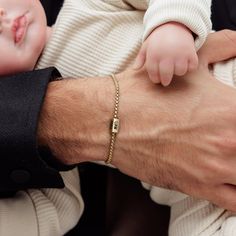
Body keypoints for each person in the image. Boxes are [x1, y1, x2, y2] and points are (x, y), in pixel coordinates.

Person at [1, 1, 236, 236]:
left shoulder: (87, 6)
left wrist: (173, 23)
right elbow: (57, 209)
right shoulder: (39, 143)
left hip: (223, 74)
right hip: (194, 187)